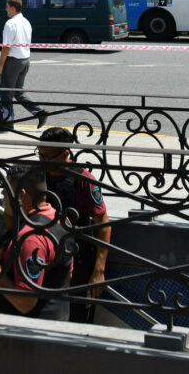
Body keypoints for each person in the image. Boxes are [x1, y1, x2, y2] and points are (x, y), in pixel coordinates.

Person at [37, 127, 111, 323]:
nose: (42, 161)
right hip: (43, 256)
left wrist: (99, 270)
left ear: (66, 153)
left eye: (48, 157)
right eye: (40, 155)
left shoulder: (83, 179)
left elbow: (103, 224)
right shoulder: (37, 175)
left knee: (77, 315)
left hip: (77, 258)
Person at [0, 164, 72, 320]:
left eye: (6, 189)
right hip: (57, 319)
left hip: (26, 334)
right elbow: (68, 275)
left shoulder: (30, 238)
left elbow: (25, 303)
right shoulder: (61, 219)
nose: (3, 193)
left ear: (21, 195)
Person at [0, 0, 47, 128]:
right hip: (25, 60)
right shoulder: (26, 22)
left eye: (7, 7)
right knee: (18, 92)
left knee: (6, 93)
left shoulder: (10, 24)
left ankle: (6, 123)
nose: (5, 9)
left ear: (12, 8)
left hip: (13, 61)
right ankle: (39, 112)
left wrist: (0, 66)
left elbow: (6, 47)